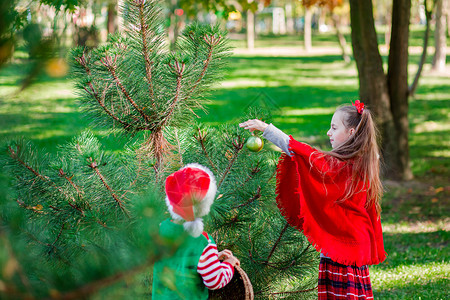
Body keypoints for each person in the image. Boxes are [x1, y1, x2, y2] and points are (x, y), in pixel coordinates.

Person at [239, 101, 386, 299]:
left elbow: (306, 155)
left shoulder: (341, 167)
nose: (328, 132)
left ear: (351, 132)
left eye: (334, 128)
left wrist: (267, 129)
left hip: (342, 252)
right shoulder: (365, 160)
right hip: (351, 248)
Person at [152, 163, 240, 299]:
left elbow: (181, 260)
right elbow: (214, 281)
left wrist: (213, 259)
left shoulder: (162, 228)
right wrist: (229, 263)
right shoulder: (203, 242)